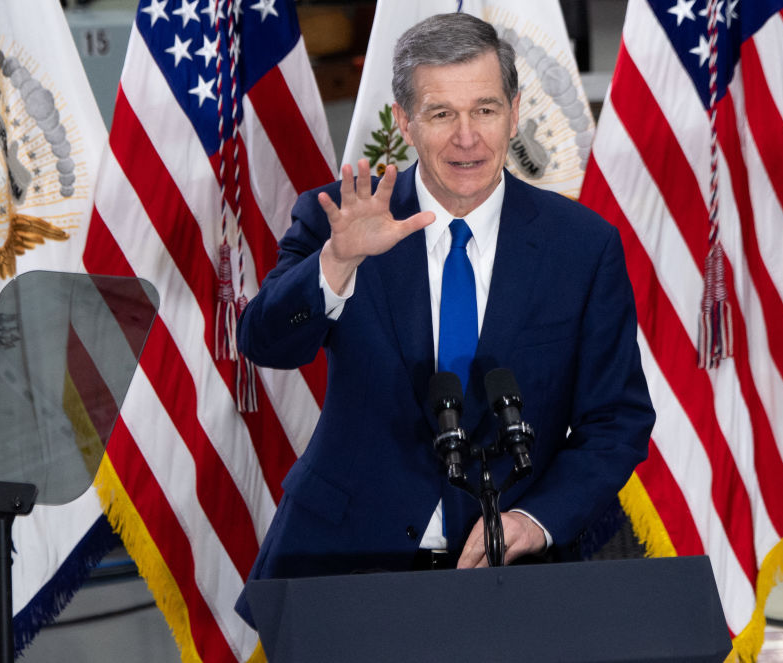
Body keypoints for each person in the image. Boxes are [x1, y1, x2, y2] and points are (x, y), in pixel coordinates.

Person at [235, 12, 654, 623]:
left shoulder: (582, 246)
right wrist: (337, 261)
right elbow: (265, 342)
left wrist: (535, 520)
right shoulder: (342, 220)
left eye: (485, 109)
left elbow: (617, 419)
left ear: (514, 111)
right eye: (440, 114)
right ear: (404, 121)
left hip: (510, 576)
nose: (467, 138)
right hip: (343, 565)